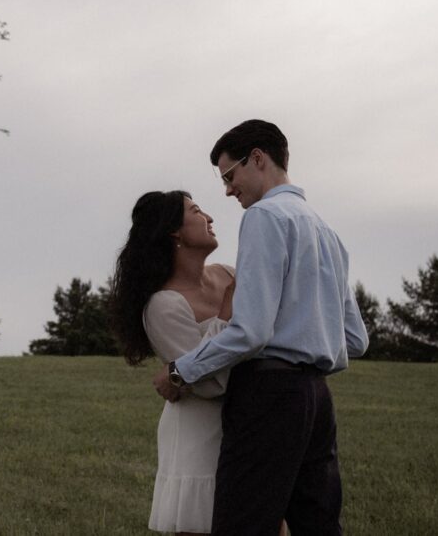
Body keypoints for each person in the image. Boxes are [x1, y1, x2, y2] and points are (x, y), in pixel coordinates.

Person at [153, 120, 369, 536]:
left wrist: (181, 370)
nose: (229, 190)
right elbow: (356, 339)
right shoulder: (327, 231)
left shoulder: (264, 217)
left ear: (258, 158)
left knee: (243, 524)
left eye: (230, 176)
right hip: (317, 400)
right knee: (318, 526)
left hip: (268, 395)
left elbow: (250, 331)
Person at [108, 190, 236, 535]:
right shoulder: (165, 305)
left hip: (247, 425)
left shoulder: (228, 275)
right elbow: (210, 384)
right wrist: (226, 316)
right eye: (196, 211)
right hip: (200, 435)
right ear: (174, 231)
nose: (209, 217)